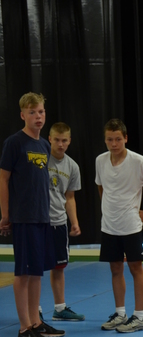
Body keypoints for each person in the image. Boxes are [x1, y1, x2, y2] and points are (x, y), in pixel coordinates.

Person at [0, 92, 65, 337]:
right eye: (32, 112)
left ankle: (36, 322)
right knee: (23, 273)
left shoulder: (44, 146)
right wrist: (6, 214)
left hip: (41, 216)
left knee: (37, 272)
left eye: (41, 112)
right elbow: (3, 179)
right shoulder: (14, 143)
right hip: (24, 217)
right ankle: (24, 328)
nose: (38, 116)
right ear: (22, 115)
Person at [96, 119, 143, 332]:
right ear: (105, 140)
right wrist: (107, 207)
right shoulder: (100, 160)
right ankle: (120, 313)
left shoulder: (138, 161)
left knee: (136, 268)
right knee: (115, 269)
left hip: (131, 226)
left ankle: (139, 317)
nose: (114, 144)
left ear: (125, 138)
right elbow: (101, 186)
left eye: (118, 139)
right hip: (109, 226)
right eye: (110, 139)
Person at [43, 122, 85, 321]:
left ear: (69, 141)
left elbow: (70, 197)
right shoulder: (40, 159)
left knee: (58, 267)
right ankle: (34, 309)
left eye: (64, 140)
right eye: (57, 140)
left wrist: (74, 222)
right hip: (39, 221)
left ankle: (59, 309)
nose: (60, 144)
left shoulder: (72, 166)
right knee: (34, 268)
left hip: (59, 222)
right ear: (49, 139)